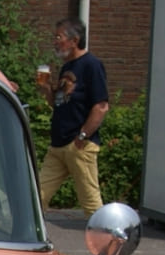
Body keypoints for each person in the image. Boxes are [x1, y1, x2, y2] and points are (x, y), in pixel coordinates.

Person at [36, 17, 110, 216]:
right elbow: (58, 104)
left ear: (74, 40)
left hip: (79, 145)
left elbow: (101, 106)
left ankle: (106, 244)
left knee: (91, 204)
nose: (55, 42)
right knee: (37, 197)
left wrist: (83, 136)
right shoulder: (66, 68)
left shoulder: (91, 65)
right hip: (58, 145)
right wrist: (47, 89)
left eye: (58, 37)